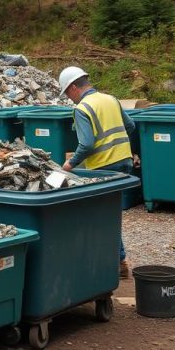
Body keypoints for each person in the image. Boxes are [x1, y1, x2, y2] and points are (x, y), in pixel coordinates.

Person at [58, 66, 137, 278]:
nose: (68, 98)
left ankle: (113, 262)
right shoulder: (110, 99)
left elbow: (86, 144)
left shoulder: (82, 109)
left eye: (67, 92)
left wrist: (69, 165)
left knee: (99, 216)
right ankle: (119, 262)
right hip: (124, 161)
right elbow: (130, 125)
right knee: (111, 213)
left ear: (74, 87)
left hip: (103, 167)